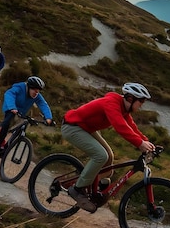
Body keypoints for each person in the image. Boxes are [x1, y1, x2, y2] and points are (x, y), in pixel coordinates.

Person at [61, 82, 155, 213]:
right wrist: (139, 143)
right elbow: (120, 126)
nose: (141, 106)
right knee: (101, 155)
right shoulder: (111, 103)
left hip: (86, 128)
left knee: (109, 157)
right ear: (130, 99)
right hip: (73, 127)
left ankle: (94, 186)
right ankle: (77, 189)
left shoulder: (124, 110)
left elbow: (132, 128)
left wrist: (147, 142)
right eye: (140, 102)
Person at [0, 76, 53, 155]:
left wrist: (48, 118)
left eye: (38, 91)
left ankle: (5, 147)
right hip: (10, 107)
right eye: (34, 90)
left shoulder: (37, 95)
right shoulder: (20, 88)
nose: (36, 92)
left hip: (21, 112)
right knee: (7, 123)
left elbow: (43, 104)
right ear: (29, 87)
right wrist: (12, 107)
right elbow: (9, 94)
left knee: (21, 127)